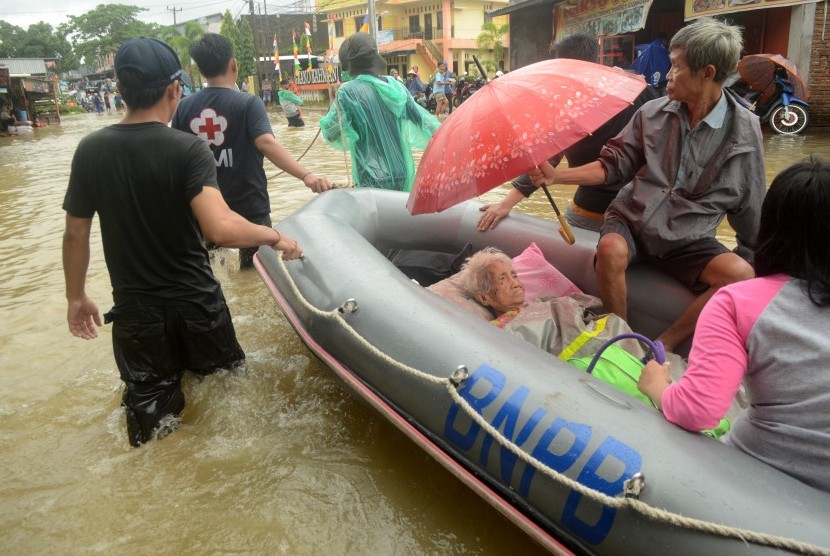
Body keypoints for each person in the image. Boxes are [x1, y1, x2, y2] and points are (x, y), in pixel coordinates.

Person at [62, 37, 303, 448]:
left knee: (151, 426)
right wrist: (275, 235)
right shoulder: (188, 149)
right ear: (175, 88)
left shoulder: (90, 150)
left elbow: (75, 233)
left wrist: (76, 296)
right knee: (230, 395)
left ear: (120, 90)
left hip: (136, 315)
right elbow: (220, 229)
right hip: (197, 304)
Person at [530, 17, 765, 353]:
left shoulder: (744, 131)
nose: (667, 75)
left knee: (741, 275)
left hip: (689, 238)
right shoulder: (652, 113)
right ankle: (621, 338)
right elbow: (612, 166)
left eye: (676, 66)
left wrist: (754, 259)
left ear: (707, 73)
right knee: (610, 249)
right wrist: (556, 176)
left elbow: (750, 201)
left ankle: (662, 344)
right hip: (632, 222)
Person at [638, 157, 830, 493]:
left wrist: (656, 384)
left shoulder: (737, 302)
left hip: (758, 473)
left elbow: (698, 412)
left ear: (771, 226)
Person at [172, 33, 331, 269]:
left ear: (202, 72)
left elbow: (176, 156)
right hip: (249, 206)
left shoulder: (183, 107)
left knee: (206, 268)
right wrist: (306, 175)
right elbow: (266, 143)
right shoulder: (247, 103)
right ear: (233, 65)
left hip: (203, 209)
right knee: (255, 272)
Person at [477, 31, 659, 234]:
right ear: (596, 59)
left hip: (593, 207)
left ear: (563, 65)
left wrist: (507, 203)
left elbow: (548, 158)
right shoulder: (638, 88)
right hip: (644, 208)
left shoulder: (567, 103)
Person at [319, 32, 439, 191]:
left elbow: (332, 133)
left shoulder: (348, 92)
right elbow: (425, 124)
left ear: (349, 64)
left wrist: (335, 106)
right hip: (401, 172)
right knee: (399, 214)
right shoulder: (396, 87)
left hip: (370, 176)